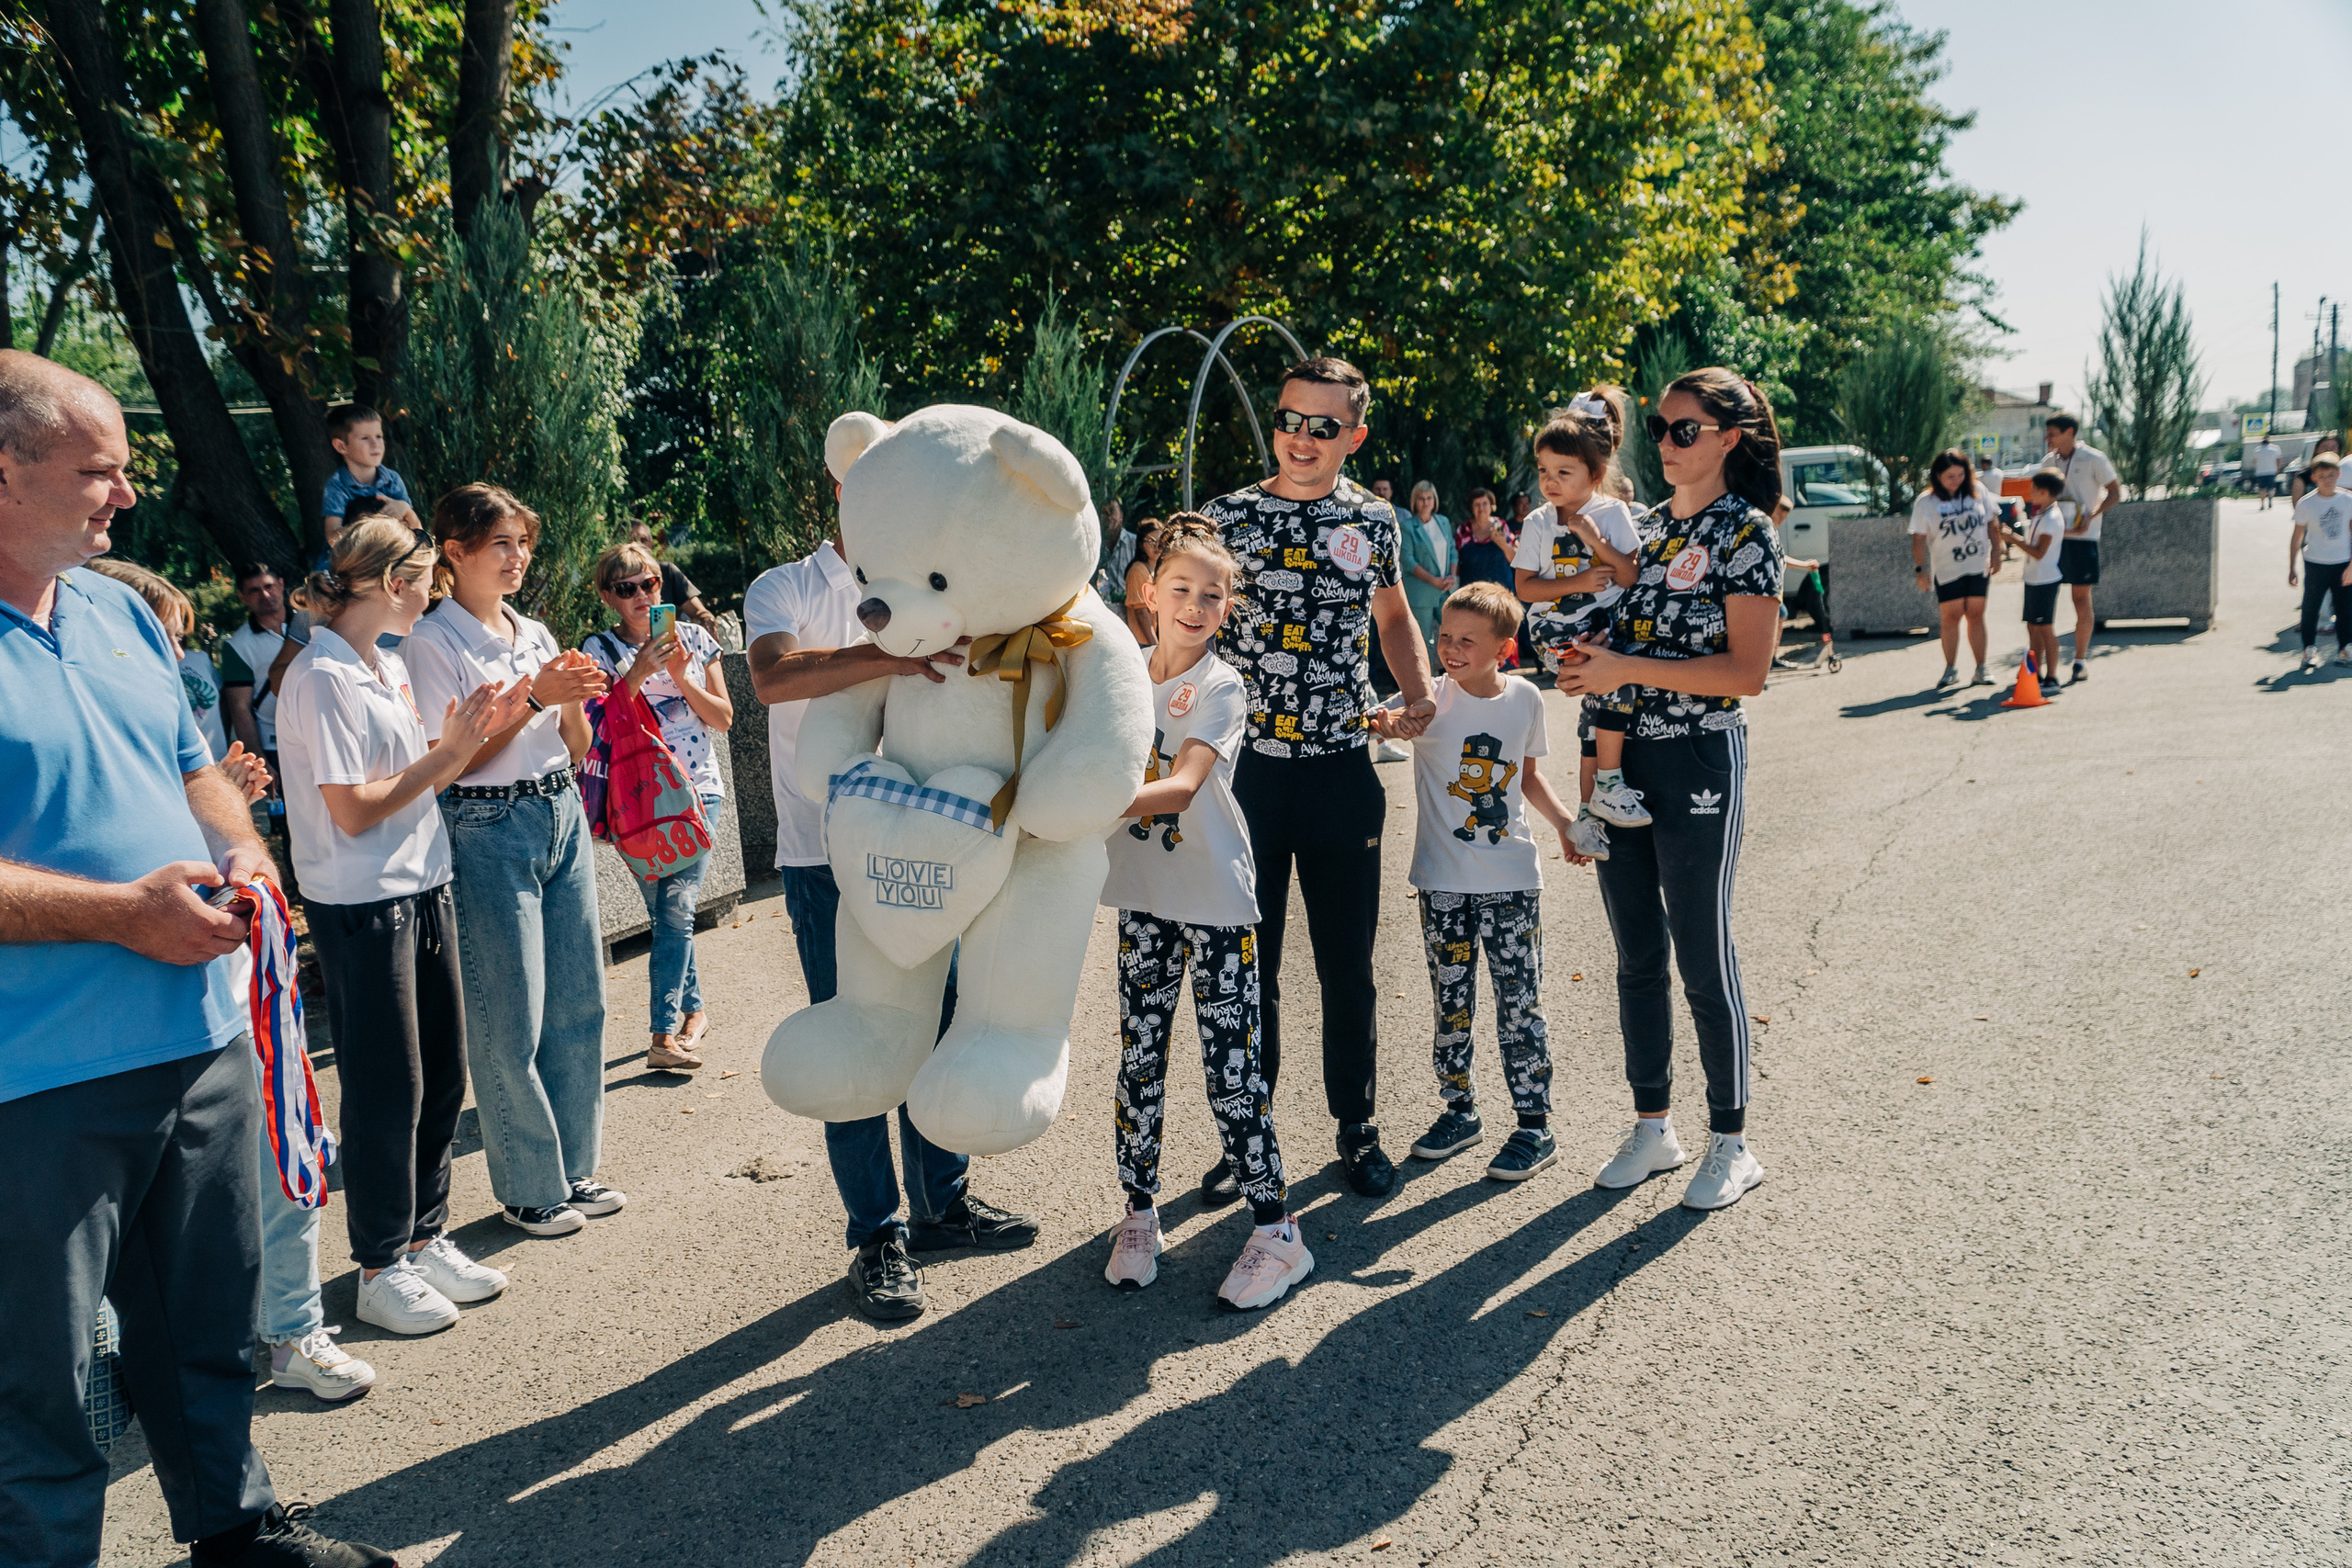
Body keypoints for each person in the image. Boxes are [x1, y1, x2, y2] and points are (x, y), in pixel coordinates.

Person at [0, 349, 395, 1567]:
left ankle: (236, 1527)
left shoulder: (118, 607)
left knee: (208, 1324)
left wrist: (251, 856)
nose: (124, 497)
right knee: (40, 1380)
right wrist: (123, 909)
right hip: (32, 1081)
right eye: (96, 471)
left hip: (198, 1036)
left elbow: (195, 773)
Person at [744, 516, 1036, 1323]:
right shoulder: (788, 585)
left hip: (932, 844)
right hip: (825, 854)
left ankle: (943, 1207)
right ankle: (877, 1235)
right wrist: (891, 652)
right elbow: (770, 678)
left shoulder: (942, 571)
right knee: (859, 1034)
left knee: (938, 1027)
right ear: (844, 484)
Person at [279, 519, 528, 1336]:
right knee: (389, 1087)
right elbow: (352, 810)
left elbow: (421, 768)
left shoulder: (380, 664)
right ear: (391, 582)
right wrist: (449, 752)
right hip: (362, 899)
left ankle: (425, 1236)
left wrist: (476, 734)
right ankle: (380, 1262)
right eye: (423, 579)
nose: (431, 594)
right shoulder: (319, 676)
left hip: (425, 882)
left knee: (442, 1073)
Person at [1553, 366, 1784, 1212]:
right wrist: (1584, 683)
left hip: (1697, 760)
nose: (1666, 442)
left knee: (1699, 949)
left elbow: (1747, 672)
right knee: (1636, 955)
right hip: (1622, 768)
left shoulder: (1745, 532)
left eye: (1684, 429)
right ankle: (1654, 1126)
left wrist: (1624, 665)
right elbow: (1600, 642)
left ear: (1729, 437)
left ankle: (1732, 1138)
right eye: (1658, 427)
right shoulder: (1639, 528)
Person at [1205, 355, 1437, 1199]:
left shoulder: (1375, 523)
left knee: (1348, 967)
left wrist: (1417, 697)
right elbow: (1180, 621)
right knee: (1247, 966)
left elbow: (1394, 615)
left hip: (1342, 774)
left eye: (1324, 426)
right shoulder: (1224, 518)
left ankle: (1358, 1127)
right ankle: (1246, 1138)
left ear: (1355, 436)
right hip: (1245, 780)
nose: (1302, 439)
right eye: (1290, 419)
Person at [1098, 514, 1307, 1309]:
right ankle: (1139, 1213)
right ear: (1149, 591)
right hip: (1143, 902)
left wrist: (1077, 802)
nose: (1194, 603)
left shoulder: (1221, 684)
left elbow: (1182, 787)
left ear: (1228, 606)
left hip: (1216, 905)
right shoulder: (1119, 674)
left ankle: (1278, 1231)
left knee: (1232, 1075)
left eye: (1212, 594)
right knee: (1139, 1064)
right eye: (1180, 587)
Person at [405, 483, 622, 1239]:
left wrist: (572, 708)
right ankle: (530, 1187)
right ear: (454, 553)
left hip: (558, 804)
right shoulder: (431, 643)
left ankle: (573, 1166)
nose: (518, 556)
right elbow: (452, 763)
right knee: (510, 1013)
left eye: (523, 543)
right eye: (501, 543)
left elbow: (574, 745)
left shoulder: (532, 628)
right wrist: (535, 699)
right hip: (486, 821)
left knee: (580, 998)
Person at [1373, 581, 1573, 1181]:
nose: (1450, 649)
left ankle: (1535, 1124)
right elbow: (1382, 722)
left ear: (1504, 648)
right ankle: (1461, 1110)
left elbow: (1526, 776)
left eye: (1467, 641)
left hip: (1511, 881)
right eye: (1444, 637)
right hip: (1442, 884)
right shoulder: (1427, 698)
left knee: (1520, 1004)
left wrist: (1564, 824)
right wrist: (1387, 724)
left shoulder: (1524, 700)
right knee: (1451, 1002)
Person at [582, 540, 735, 1068]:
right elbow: (592, 723)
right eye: (627, 588)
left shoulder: (693, 638)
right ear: (608, 596)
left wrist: (681, 678)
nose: (642, 596)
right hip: (636, 795)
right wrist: (636, 675)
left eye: (649, 584)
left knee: (678, 909)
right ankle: (694, 1010)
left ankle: (662, 1036)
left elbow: (722, 719)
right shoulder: (598, 650)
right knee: (665, 910)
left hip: (697, 789)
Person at [1510, 393, 1643, 859]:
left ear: (1595, 474)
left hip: (1601, 626)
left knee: (1602, 708)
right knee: (1617, 680)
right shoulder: (1538, 522)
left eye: (1563, 472)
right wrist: (1582, 580)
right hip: (1555, 634)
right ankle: (1607, 784)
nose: (1550, 481)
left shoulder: (1612, 514)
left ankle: (1589, 813)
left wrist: (1596, 542)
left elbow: (1630, 573)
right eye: (1544, 470)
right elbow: (1524, 588)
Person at [1909, 448, 1998, 690]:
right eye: (1950, 476)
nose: (1956, 481)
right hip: (1947, 569)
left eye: (1961, 475)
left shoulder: (1978, 491)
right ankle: (1951, 669)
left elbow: (1992, 523)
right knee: (1951, 617)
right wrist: (1921, 569)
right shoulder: (1926, 502)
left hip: (1977, 565)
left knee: (1976, 615)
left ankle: (1981, 668)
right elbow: (1918, 538)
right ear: (1937, 476)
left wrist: (1997, 553)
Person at [2042, 412, 2120, 685]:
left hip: (2083, 539)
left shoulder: (2094, 458)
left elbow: (2115, 493)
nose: (2047, 439)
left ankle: (2079, 661)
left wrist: (2093, 514)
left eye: (2052, 434)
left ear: (2070, 432)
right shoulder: (2048, 461)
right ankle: (2044, 665)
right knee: (2045, 599)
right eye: (2048, 433)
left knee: (2080, 600)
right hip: (2052, 540)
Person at [319, 402, 417, 568]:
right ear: (341, 446)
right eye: (365, 438)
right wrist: (370, 526)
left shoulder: (392, 479)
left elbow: (416, 531)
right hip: (354, 562)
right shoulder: (337, 485)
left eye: (378, 436)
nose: (375, 444)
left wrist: (405, 508)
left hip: (392, 556)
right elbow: (333, 538)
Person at [1998, 470, 2072, 689]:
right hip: (2034, 579)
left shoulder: (2051, 518)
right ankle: (2035, 674)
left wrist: (2013, 538)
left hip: (2045, 580)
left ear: (2044, 492)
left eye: (2033, 490)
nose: (2029, 493)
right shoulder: (2041, 513)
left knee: (2045, 628)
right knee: (2033, 627)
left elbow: (2039, 552)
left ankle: (2052, 677)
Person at [219, 560, 292, 773]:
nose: (265, 595)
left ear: (280, 584)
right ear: (242, 597)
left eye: (269, 586)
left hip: (321, 736)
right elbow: (240, 709)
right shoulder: (238, 645)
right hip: (275, 746)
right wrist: (260, 760)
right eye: (254, 591)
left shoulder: (310, 625)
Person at [2289, 451, 2352, 671]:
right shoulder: (2307, 504)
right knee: (2311, 608)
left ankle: (2345, 649)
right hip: (2316, 563)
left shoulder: (2348, 500)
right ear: (2314, 477)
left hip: (2343, 563)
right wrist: (2292, 567)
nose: (2327, 480)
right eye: (2322, 476)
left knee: (2345, 610)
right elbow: (2297, 536)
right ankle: (2309, 650)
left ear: (2339, 474)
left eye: (2332, 475)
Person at [625, 520, 718, 633]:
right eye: (631, 540)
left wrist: (707, 620)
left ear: (651, 544)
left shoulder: (666, 572)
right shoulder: (611, 580)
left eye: (643, 540)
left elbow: (698, 611)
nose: (638, 545)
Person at [1399, 479, 1458, 652]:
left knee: (1455, 634)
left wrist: (1452, 576)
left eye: (1429, 498)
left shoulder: (1443, 522)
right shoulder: (1407, 526)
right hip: (1421, 592)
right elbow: (1408, 561)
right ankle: (1425, 678)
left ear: (1435, 500)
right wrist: (1434, 581)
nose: (1425, 503)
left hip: (1446, 589)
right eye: (1421, 499)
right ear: (1414, 502)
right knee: (1422, 641)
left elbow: (1453, 550)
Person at [1453, 486, 1515, 589]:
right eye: (1477, 504)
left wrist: (1503, 544)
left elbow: (1514, 559)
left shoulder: (1500, 526)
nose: (1481, 508)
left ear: (1491, 506)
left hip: (1500, 592)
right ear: (1471, 508)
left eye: (1485, 503)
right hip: (1471, 592)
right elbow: (1455, 561)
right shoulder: (1464, 529)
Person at [1122, 514, 1163, 646]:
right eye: (1151, 541)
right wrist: (1155, 646)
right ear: (1141, 544)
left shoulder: (1157, 568)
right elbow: (1141, 613)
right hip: (1143, 643)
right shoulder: (1138, 569)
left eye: (1161, 540)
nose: (1157, 546)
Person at [2249, 435, 2283, 508]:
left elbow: (2254, 461)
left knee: (2262, 488)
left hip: (2260, 472)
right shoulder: (2275, 449)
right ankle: (2270, 499)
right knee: (2271, 487)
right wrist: (2278, 469)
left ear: (2262, 442)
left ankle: (2262, 503)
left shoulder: (2257, 450)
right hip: (2271, 471)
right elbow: (2278, 460)